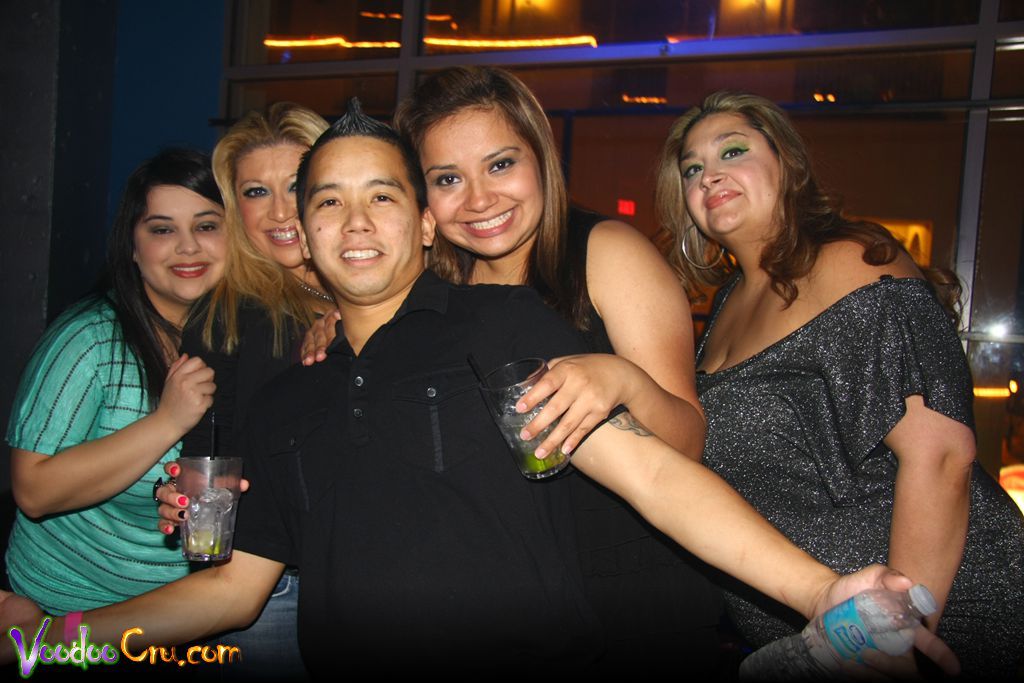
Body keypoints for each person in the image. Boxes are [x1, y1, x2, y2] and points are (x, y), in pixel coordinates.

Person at [0, 101, 958, 681]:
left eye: (382, 195)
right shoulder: (290, 399)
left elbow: (652, 475)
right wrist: (53, 643)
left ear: (425, 225)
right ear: (305, 234)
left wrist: (821, 589)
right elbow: (228, 593)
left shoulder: (498, 328)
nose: (355, 220)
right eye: (328, 201)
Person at [305, 65, 722, 668]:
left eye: (500, 165)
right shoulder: (440, 291)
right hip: (523, 598)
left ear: (541, 159)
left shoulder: (605, 254)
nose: (479, 199)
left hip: (631, 585)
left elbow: (688, 443)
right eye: (448, 178)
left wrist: (625, 382)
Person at [656, 90, 1024, 678]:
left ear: (787, 164)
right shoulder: (725, 303)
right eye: (692, 168)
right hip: (824, 636)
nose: (710, 175)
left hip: (939, 618)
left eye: (733, 151)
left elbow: (940, 456)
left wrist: (896, 634)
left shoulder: (852, 261)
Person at [4, 148, 224, 614]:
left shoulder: (246, 339)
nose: (188, 247)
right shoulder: (88, 341)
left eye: (206, 226)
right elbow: (33, 491)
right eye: (162, 229)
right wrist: (167, 421)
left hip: (185, 615)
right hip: (61, 611)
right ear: (133, 247)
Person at [170, 102, 331, 680]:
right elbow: (206, 452)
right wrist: (187, 500)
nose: (281, 211)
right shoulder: (229, 316)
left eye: (297, 185)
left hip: (372, 578)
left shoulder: (381, 297)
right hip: (273, 590)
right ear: (235, 208)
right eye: (256, 192)